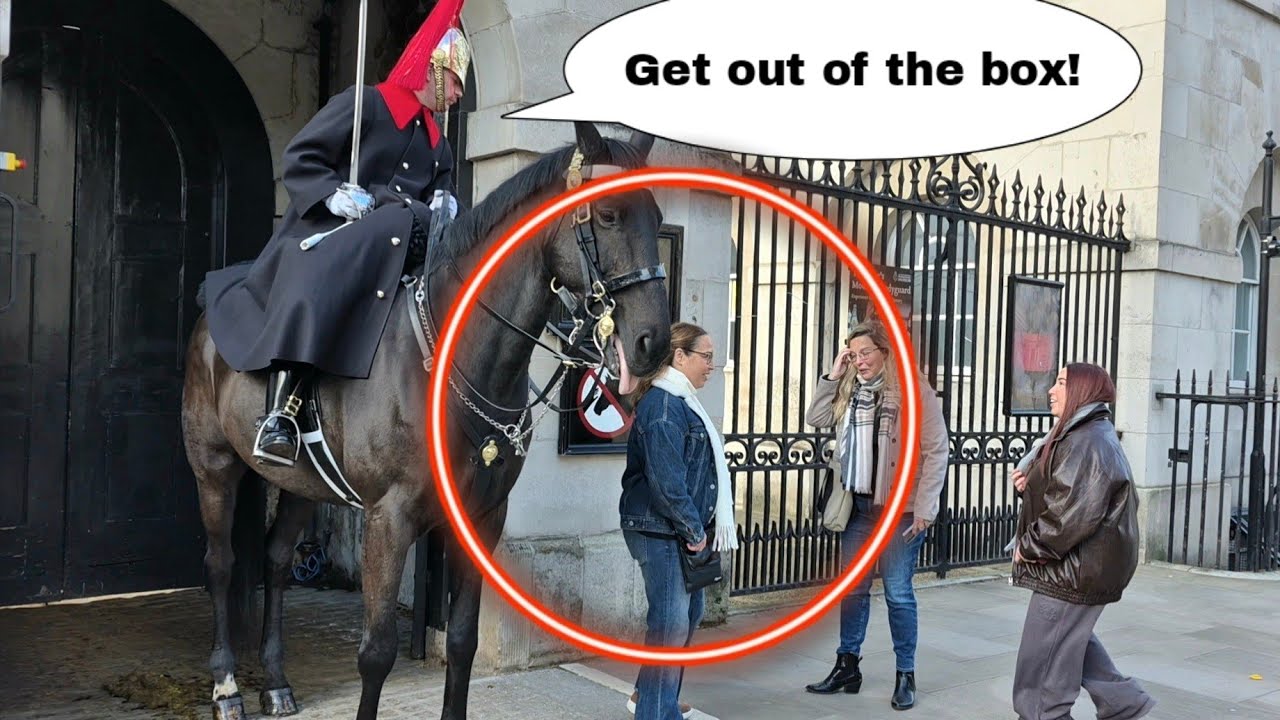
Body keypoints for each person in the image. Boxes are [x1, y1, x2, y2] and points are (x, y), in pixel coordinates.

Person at [201, 1, 469, 466]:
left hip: (403, 247)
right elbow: (302, 156)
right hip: (338, 229)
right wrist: (331, 194)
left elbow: (441, 181)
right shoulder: (364, 104)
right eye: (456, 83)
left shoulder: (437, 141)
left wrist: (446, 198)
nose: (458, 97)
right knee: (310, 290)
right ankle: (281, 413)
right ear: (432, 70)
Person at [802, 320, 949, 711]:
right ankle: (847, 665)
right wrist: (834, 375)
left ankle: (906, 674)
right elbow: (816, 418)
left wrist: (927, 508)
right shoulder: (850, 388)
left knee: (899, 594)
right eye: (853, 353)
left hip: (901, 510)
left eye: (866, 352)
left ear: (885, 350)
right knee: (852, 589)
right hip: (859, 508)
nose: (860, 360)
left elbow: (937, 450)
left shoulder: (914, 390)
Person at [1010, 363, 1155, 720]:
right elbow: (1070, 498)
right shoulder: (1084, 434)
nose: (1051, 390)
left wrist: (1026, 548)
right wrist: (1032, 485)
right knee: (1069, 640)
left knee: (1041, 680)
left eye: (1061, 382)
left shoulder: (1086, 441)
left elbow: (1066, 519)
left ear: (1082, 392)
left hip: (1071, 572)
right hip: (1082, 567)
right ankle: (1124, 702)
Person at [620, 322, 738, 720]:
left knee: (684, 621)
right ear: (679, 356)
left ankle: (656, 700)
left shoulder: (681, 400)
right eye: (706, 357)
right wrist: (694, 532)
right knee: (669, 628)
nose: (712, 365)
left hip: (679, 529)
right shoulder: (666, 407)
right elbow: (667, 482)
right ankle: (655, 711)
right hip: (662, 529)